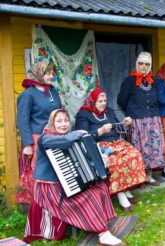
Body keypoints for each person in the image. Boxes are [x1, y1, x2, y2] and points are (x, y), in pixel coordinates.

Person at [24, 109, 125, 246]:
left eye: (66, 121)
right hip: (49, 187)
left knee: (100, 186)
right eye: (59, 121)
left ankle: (103, 222)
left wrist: (100, 158)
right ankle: (103, 234)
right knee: (88, 196)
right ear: (51, 123)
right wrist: (80, 132)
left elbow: (80, 151)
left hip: (64, 181)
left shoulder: (66, 135)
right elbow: (65, 141)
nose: (63, 124)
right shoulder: (46, 138)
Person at [75, 88, 146, 211]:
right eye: (100, 101)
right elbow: (82, 136)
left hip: (116, 143)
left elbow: (118, 127)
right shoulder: (83, 114)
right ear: (92, 101)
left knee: (134, 154)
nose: (103, 103)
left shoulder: (109, 111)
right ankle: (121, 195)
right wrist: (100, 131)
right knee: (116, 161)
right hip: (98, 147)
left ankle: (126, 188)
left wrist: (125, 124)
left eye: (105, 100)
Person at [16, 61, 62, 207]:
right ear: (38, 74)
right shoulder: (28, 94)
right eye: (47, 73)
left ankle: (53, 202)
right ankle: (34, 205)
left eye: (51, 73)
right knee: (37, 172)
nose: (51, 76)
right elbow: (22, 121)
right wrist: (28, 144)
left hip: (54, 138)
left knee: (54, 170)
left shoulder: (53, 92)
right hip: (37, 139)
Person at [117, 52, 165, 186]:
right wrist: (130, 113)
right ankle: (139, 178)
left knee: (152, 148)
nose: (144, 66)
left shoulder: (154, 81)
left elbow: (158, 100)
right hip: (137, 120)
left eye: (147, 64)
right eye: (141, 63)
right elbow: (121, 100)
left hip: (153, 120)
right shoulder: (129, 81)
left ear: (150, 66)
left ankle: (149, 176)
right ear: (136, 64)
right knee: (139, 149)